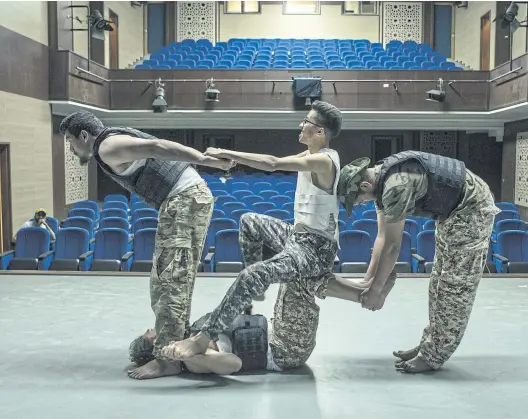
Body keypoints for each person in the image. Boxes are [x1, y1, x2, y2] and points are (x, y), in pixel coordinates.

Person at [157, 100, 349, 362]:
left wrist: (229, 152)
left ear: (320, 132)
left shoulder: (324, 161)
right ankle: (254, 293)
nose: (301, 124)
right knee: (248, 220)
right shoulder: (310, 156)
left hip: (315, 250)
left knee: (252, 274)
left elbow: (272, 163)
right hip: (298, 235)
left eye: (307, 122)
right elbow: (271, 162)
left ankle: (202, 338)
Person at [59, 111, 234, 380]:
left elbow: (157, 146)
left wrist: (204, 159)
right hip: (185, 198)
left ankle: (167, 360)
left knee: (168, 281)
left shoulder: (106, 146)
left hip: (183, 199)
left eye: (71, 140)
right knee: (172, 280)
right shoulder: (113, 138)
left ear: (84, 135)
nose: (71, 148)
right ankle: (177, 343)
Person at [336, 151, 500, 374]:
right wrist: (370, 280)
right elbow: (382, 237)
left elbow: (394, 246)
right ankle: (430, 344)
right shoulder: (382, 181)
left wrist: (375, 291)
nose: (359, 204)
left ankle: (434, 356)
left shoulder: (394, 186)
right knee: (437, 284)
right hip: (452, 213)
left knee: (454, 288)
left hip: (471, 210)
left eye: (357, 200)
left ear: (364, 185)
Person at [129, 274, 394, 377]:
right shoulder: (193, 361)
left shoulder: (191, 333)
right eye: (150, 333)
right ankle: (367, 293)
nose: (153, 328)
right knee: (300, 276)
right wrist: (193, 355)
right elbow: (233, 363)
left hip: (277, 331)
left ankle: (364, 290)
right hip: (284, 351)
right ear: (157, 345)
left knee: (298, 270)